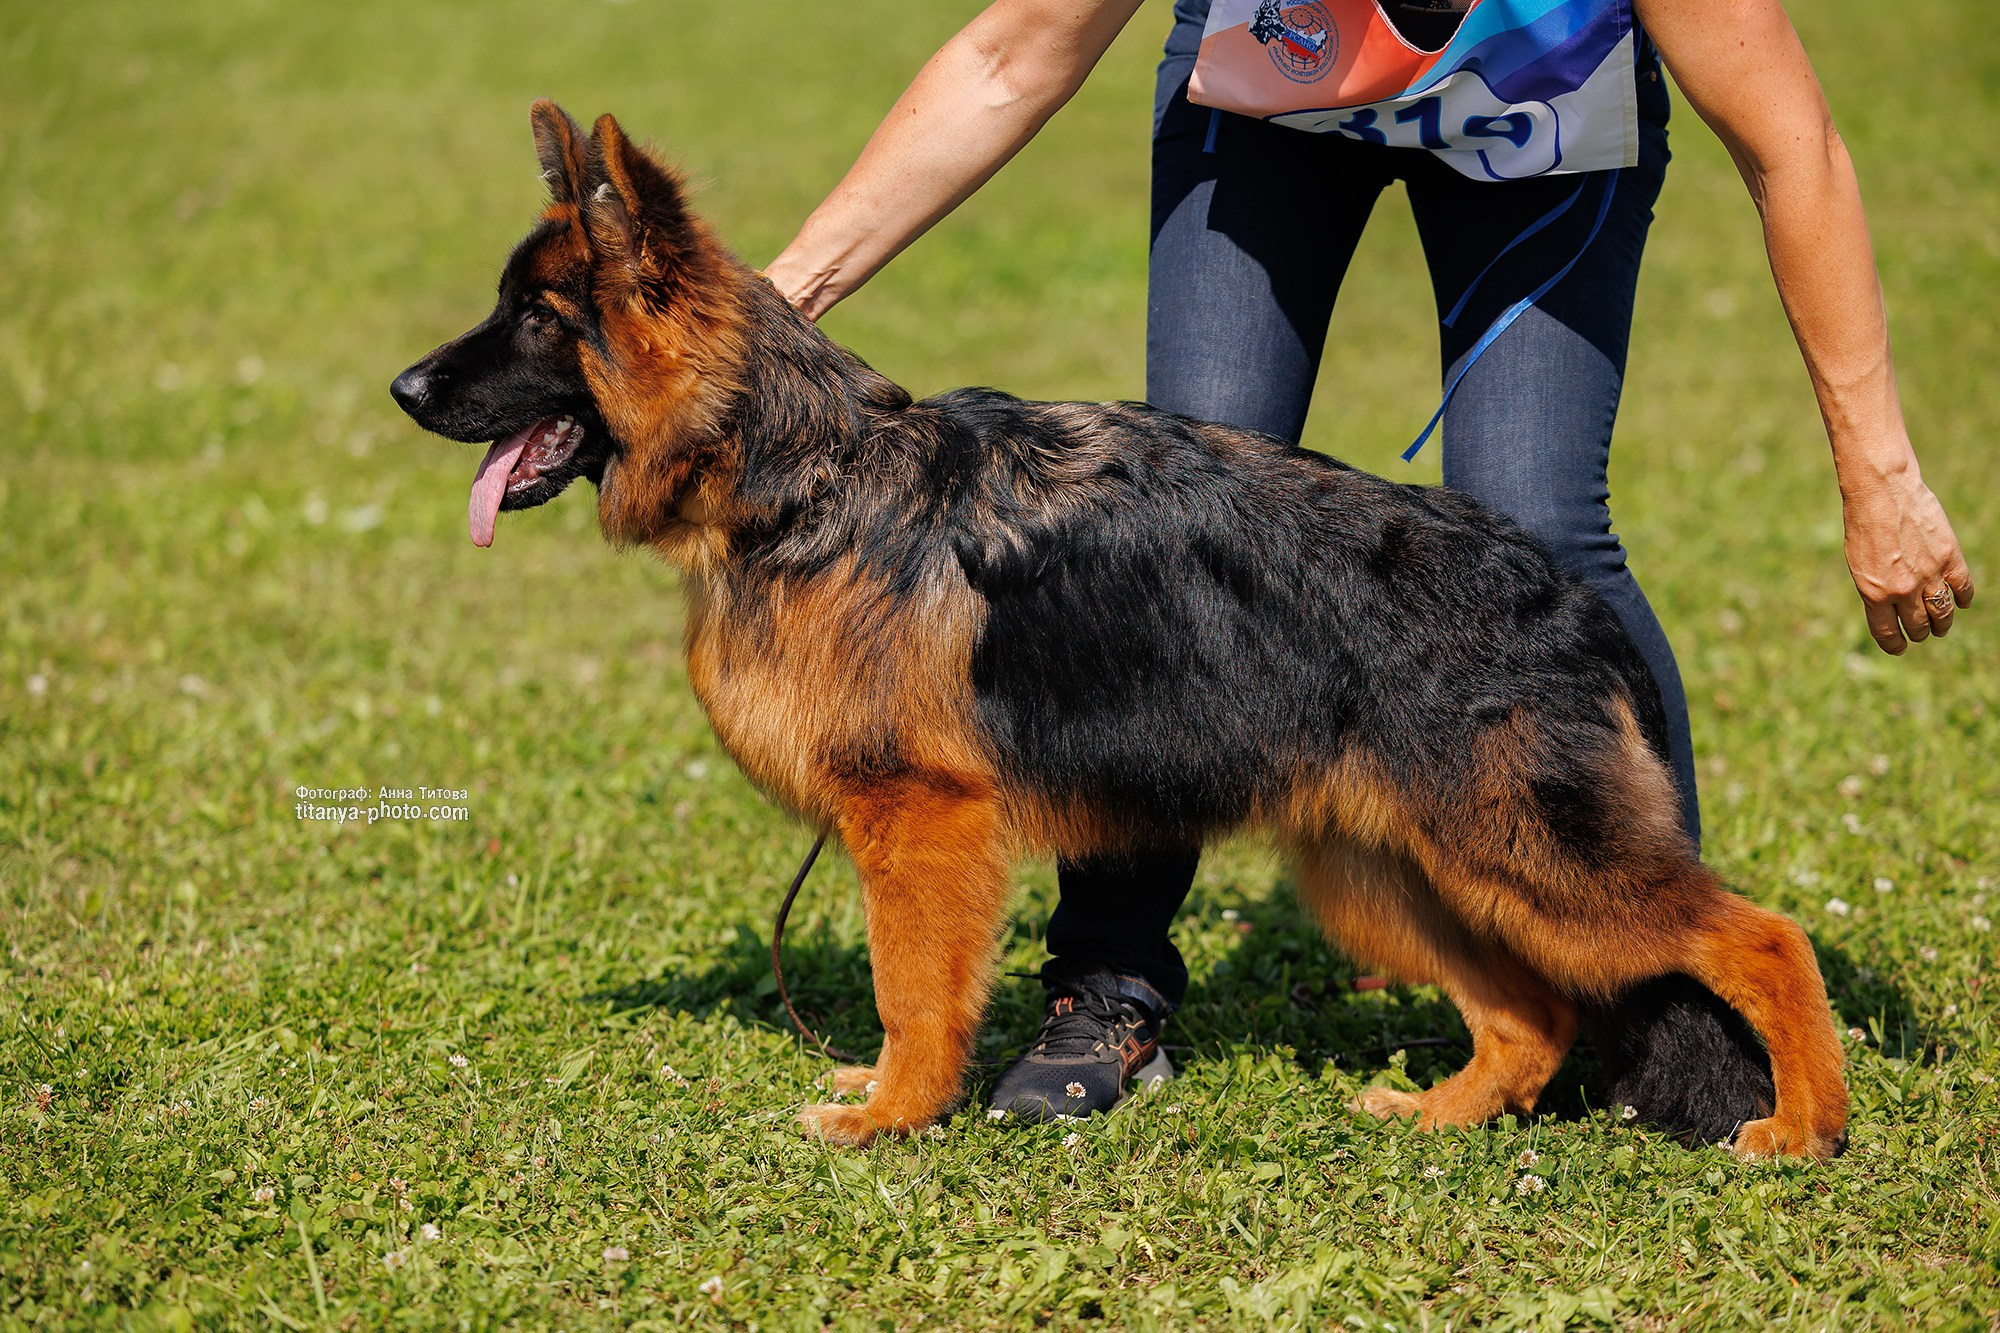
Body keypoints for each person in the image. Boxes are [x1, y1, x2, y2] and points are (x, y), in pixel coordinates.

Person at [765, 0, 1973, 1122]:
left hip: (1537, 114)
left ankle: (1663, 995)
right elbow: (1003, 55)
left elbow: (1791, 144)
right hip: (1271, 95)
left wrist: (1878, 474)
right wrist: (778, 310)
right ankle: (1108, 984)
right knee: (1170, 519)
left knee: (1533, 515)